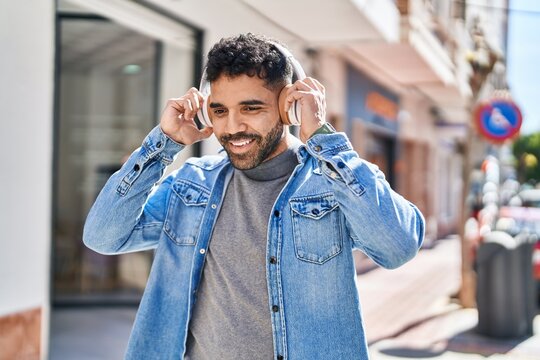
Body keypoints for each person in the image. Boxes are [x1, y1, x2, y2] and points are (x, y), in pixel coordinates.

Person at [83, 33, 425, 360]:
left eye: (250, 108)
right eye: (219, 110)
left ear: (288, 108)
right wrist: (162, 145)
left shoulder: (331, 184)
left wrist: (323, 137)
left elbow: (398, 247)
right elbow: (103, 236)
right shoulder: (191, 186)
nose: (232, 127)